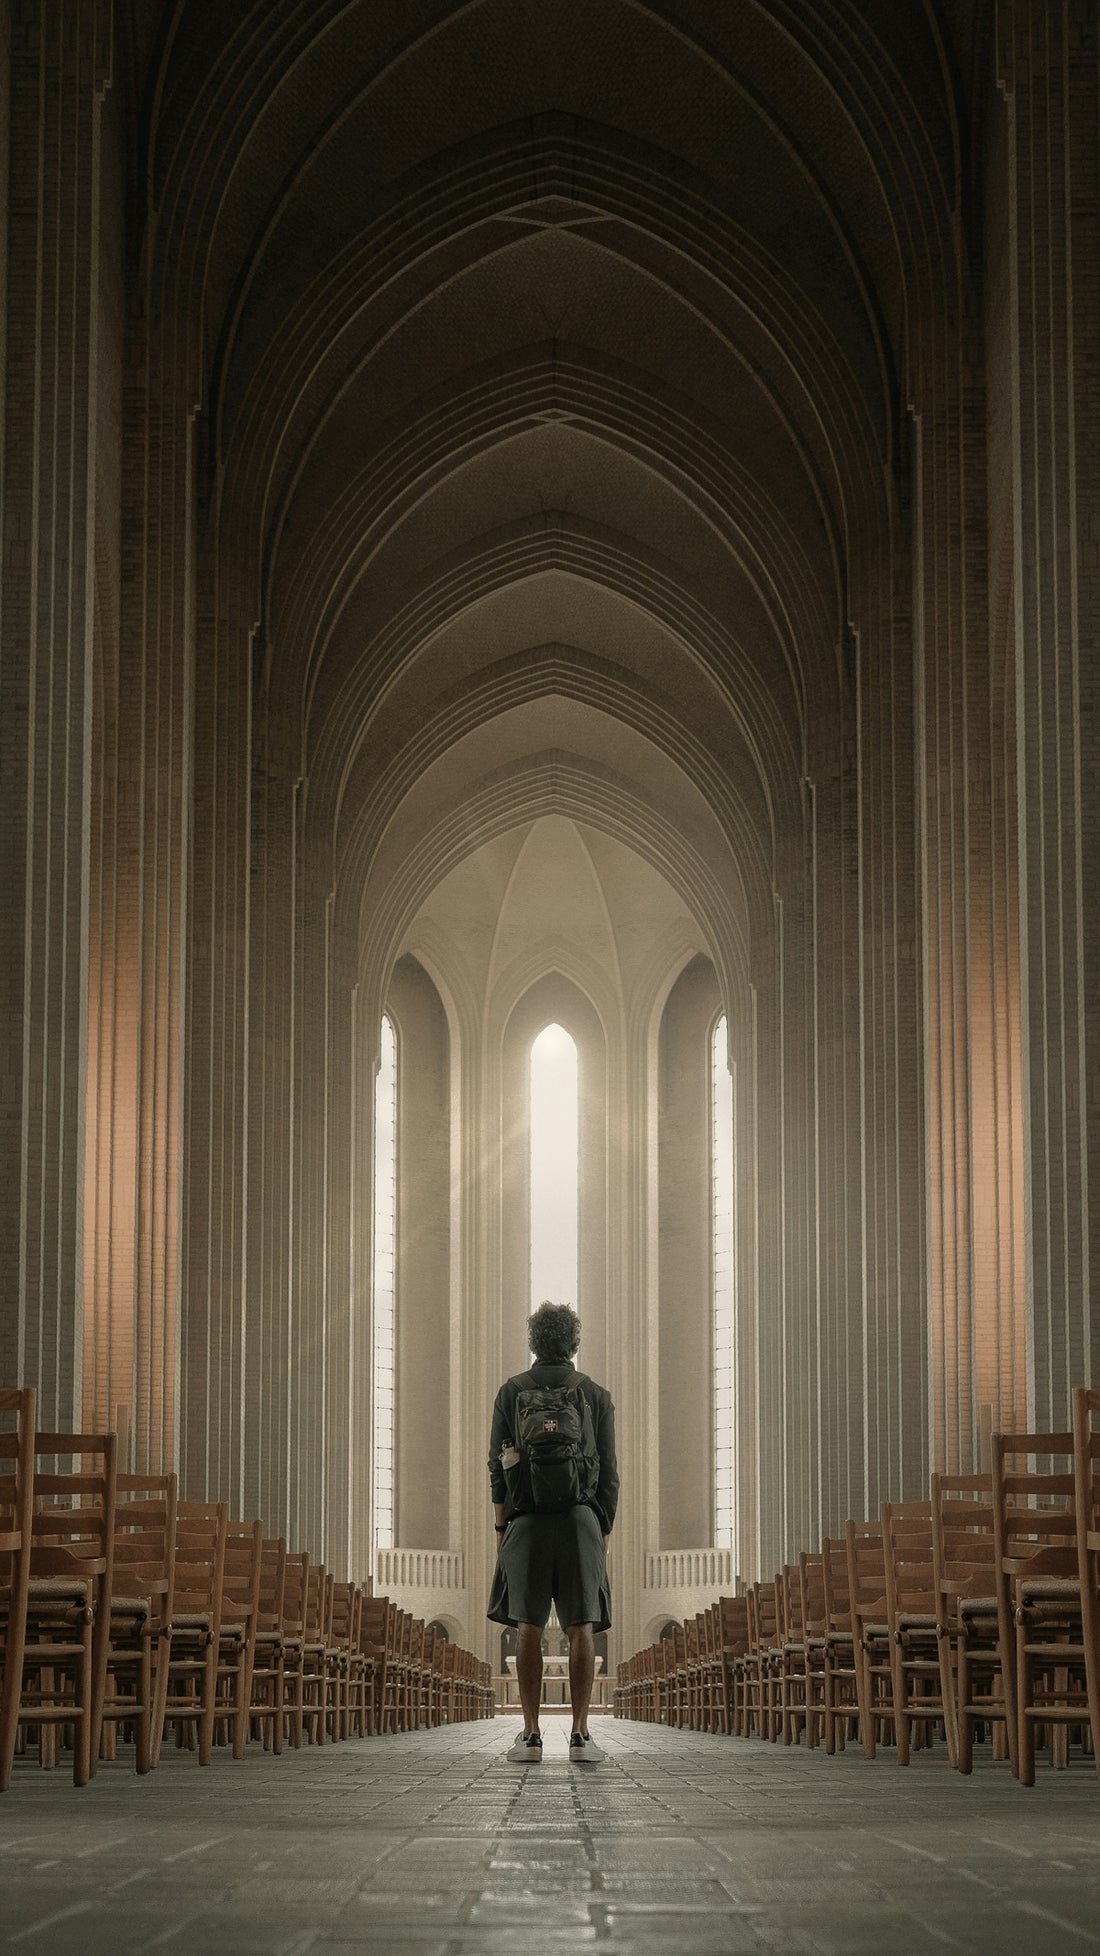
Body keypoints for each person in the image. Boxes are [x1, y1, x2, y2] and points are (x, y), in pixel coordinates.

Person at [487, 1301, 619, 1763]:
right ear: (574, 1343)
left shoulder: (511, 1392)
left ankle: (530, 1737)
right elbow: (609, 1472)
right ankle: (581, 1738)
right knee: (581, 1627)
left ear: (533, 1342)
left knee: (528, 1625)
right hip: (581, 1519)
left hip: (525, 1518)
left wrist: (502, 1526)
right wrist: (600, 1527)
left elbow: (496, 1466)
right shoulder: (596, 1395)